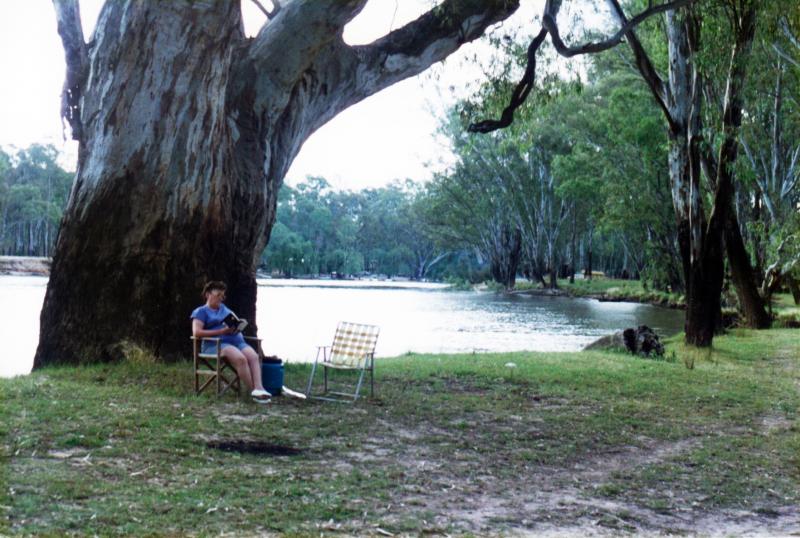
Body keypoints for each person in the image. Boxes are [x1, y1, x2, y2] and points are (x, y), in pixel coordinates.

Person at [191, 281, 271, 404]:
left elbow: (234, 322)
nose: (220, 299)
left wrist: (237, 327)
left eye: (222, 296)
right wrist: (222, 331)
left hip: (235, 340)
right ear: (208, 294)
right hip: (215, 344)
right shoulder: (201, 312)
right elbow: (197, 332)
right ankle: (254, 392)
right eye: (218, 295)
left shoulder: (225, 310)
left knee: (253, 356)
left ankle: (260, 388)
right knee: (240, 358)